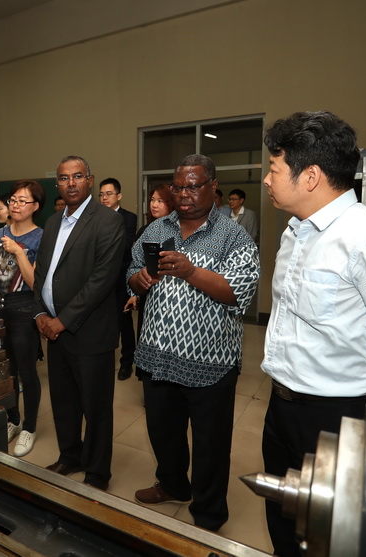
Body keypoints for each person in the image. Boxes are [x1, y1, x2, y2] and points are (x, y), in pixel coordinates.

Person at [260, 111, 366, 556]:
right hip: (282, 407)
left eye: (274, 169)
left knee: (337, 539)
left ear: (310, 176)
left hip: (341, 416)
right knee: (285, 522)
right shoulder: (295, 233)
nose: (266, 179)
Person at [127, 154, 259, 532]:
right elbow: (132, 271)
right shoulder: (156, 229)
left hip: (211, 362)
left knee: (210, 446)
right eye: (178, 187)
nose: (183, 194)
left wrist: (190, 271)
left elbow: (238, 292)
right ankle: (172, 484)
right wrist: (138, 280)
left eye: (193, 186)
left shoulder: (233, 235)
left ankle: (209, 513)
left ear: (213, 186)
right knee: (163, 433)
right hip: (157, 357)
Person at [33, 155, 125, 490]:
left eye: (77, 176)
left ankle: (97, 472)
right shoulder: (52, 223)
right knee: (63, 401)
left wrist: (62, 320)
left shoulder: (108, 221)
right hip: (54, 331)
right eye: (63, 178)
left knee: (95, 407)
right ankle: (70, 455)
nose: (70, 183)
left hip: (90, 332)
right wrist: (40, 314)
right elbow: (42, 274)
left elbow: (102, 280)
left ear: (90, 180)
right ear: (57, 184)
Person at [0, 180, 45, 457]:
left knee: (26, 371)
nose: (16, 206)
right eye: (13, 200)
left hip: (23, 307)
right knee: (5, 371)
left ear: (35, 206)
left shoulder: (41, 238)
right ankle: (13, 419)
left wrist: (18, 251)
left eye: (22, 201)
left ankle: (29, 426)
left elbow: (34, 283)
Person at [123, 183, 177, 370]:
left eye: (160, 201)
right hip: (148, 292)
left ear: (171, 203)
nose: (154, 204)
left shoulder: (178, 230)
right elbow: (136, 265)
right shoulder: (145, 230)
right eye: (153, 200)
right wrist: (135, 293)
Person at [98, 178, 138, 381]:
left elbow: (124, 244)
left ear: (119, 196)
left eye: (109, 194)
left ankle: (126, 362)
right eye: (101, 194)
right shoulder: (95, 218)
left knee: (124, 322)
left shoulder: (128, 217)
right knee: (102, 322)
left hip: (121, 276)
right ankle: (103, 360)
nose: (104, 198)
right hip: (100, 278)